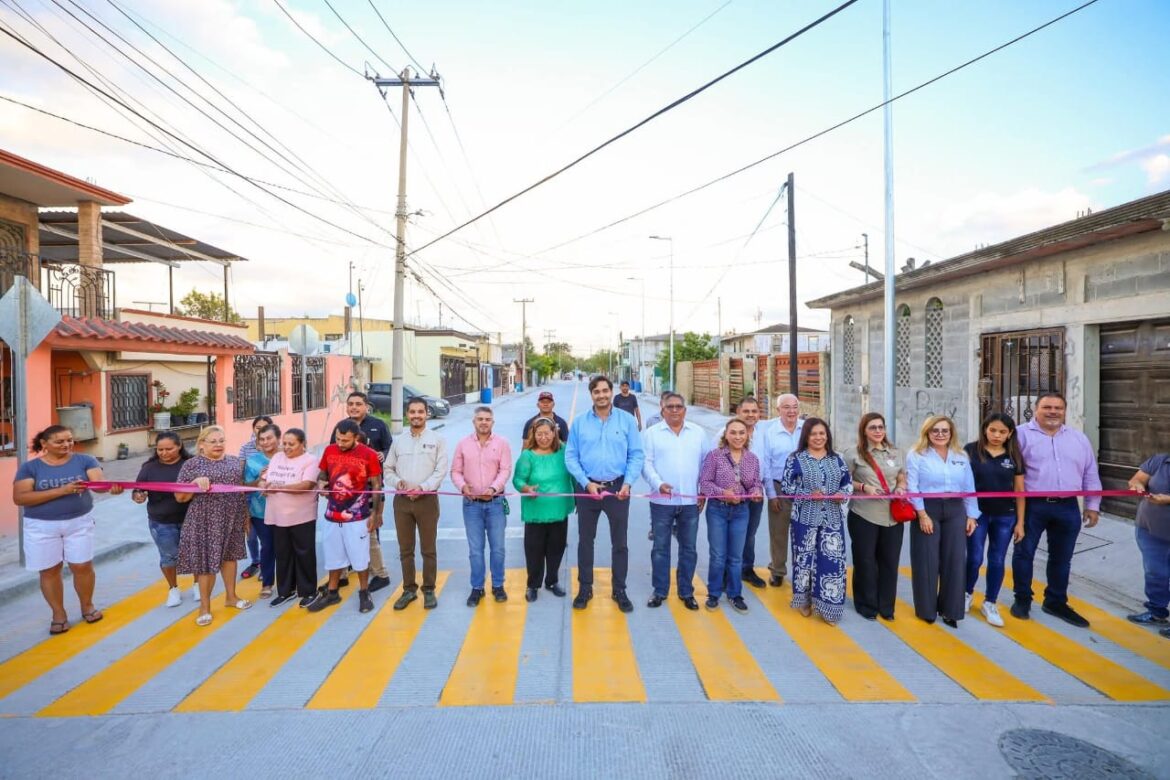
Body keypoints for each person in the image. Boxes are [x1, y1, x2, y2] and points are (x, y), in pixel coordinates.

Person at [13, 425, 122, 635]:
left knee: (82, 566)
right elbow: (20, 497)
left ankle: (87, 606)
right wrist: (62, 491)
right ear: (44, 444)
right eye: (59, 441)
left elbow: (99, 484)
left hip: (79, 522)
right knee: (49, 570)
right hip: (41, 526)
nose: (66, 445)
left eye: (69, 440)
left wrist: (111, 488)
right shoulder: (30, 468)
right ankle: (58, 614)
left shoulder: (85, 460)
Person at [1011, 392, 1102, 628]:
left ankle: (1055, 601)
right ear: (1036, 409)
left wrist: (1092, 505)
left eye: (1058, 408)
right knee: (1024, 553)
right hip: (1032, 506)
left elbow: (1090, 472)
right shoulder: (1020, 435)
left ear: (1064, 411)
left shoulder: (1078, 438)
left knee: (1062, 558)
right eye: (1047, 407)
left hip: (1068, 506)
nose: (1053, 412)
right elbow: (1010, 472)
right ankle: (1022, 599)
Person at [565, 375, 645, 613]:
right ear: (591, 394)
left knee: (620, 543)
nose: (601, 395)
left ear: (612, 392)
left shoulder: (627, 420)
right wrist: (586, 483)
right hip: (587, 489)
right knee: (585, 541)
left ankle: (619, 589)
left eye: (605, 391)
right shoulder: (580, 422)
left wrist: (628, 483)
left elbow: (636, 454)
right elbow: (571, 456)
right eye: (596, 391)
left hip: (618, 488)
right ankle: (585, 588)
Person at [906, 415, 979, 628]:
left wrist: (971, 516)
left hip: (956, 509)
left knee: (954, 560)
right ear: (927, 432)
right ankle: (926, 610)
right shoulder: (917, 454)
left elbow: (969, 487)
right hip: (927, 508)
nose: (940, 434)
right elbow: (912, 486)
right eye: (935, 430)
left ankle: (951, 611)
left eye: (944, 430)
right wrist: (922, 515)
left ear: (951, 433)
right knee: (926, 560)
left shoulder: (960, 455)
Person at [175, 426, 252, 627]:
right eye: (213, 441)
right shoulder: (192, 465)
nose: (218, 445)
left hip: (232, 517)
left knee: (230, 557)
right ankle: (205, 607)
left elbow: (240, 490)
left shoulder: (234, 462)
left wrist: (245, 517)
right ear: (201, 445)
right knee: (206, 563)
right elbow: (180, 497)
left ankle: (231, 597)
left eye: (221, 440)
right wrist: (194, 484)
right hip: (205, 521)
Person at [642, 392, 711, 610]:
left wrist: (703, 491)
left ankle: (686, 591)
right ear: (662, 410)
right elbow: (646, 464)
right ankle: (660, 591)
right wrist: (658, 484)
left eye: (678, 407)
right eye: (669, 407)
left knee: (688, 548)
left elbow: (707, 464)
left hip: (690, 502)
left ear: (685, 410)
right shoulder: (651, 434)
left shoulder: (698, 433)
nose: (674, 410)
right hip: (661, 502)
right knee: (660, 548)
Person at [780, 417, 852, 624]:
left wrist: (841, 494)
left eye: (822, 433)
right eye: (813, 434)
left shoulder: (837, 459)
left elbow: (848, 484)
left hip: (832, 519)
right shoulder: (796, 459)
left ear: (827, 435)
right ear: (806, 436)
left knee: (832, 562)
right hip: (804, 519)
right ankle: (804, 601)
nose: (818, 437)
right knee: (804, 561)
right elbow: (786, 487)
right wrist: (807, 493)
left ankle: (829, 608)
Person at [310, 419, 383, 614]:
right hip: (332, 515)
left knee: (360, 557)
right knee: (333, 556)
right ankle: (332, 592)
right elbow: (322, 475)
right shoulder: (329, 450)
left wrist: (375, 513)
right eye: (338, 439)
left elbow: (376, 485)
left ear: (356, 437)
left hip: (358, 517)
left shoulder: (368, 454)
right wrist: (321, 484)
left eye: (345, 440)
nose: (340, 443)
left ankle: (364, 592)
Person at [385, 397, 449, 611]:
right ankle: (409, 590)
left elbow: (440, 471)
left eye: (420, 412)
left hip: (427, 500)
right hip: (402, 501)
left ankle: (429, 589)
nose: (416, 416)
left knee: (428, 549)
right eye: (412, 412)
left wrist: (422, 488)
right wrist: (399, 483)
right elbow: (388, 469)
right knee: (405, 549)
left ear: (426, 414)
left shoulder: (438, 440)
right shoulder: (398, 441)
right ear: (407, 414)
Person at [843, 413, 908, 622]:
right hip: (864, 514)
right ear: (864, 430)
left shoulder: (896, 452)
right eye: (873, 427)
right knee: (865, 561)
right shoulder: (853, 454)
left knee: (890, 562)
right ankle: (866, 605)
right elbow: (844, 481)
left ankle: (886, 607)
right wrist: (863, 487)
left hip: (892, 517)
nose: (878, 431)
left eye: (881, 427)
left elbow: (901, 475)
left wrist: (900, 487)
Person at [963, 414, 1025, 628]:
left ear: (1010, 434)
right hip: (977, 515)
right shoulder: (971, 451)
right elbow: (963, 483)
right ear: (985, 429)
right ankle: (966, 593)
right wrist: (967, 514)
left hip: (1005, 516)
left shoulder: (1014, 456)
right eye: (993, 430)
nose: (997, 435)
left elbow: (1020, 491)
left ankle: (990, 602)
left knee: (997, 559)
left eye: (1002, 432)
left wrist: (1020, 522)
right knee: (974, 557)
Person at [331, 391, 392, 593]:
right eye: (351, 404)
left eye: (358, 404)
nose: (354, 407)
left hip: (370, 489)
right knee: (343, 534)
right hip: (345, 493)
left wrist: (382, 455)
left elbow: (390, 449)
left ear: (366, 406)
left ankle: (376, 572)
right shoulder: (341, 427)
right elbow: (332, 453)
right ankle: (346, 570)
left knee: (370, 532)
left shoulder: (378, 425)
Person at [699, 419, 763, 613]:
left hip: (741, 512)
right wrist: (723, 493)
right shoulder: (714, 456)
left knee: (736, 557)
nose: (737, 437)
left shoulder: (752, 459)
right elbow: (705, 483)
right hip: (717, 510)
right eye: (733, 432)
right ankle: (714, 593)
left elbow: (755, 483)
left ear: (747, 435)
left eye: (741, 433)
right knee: (718, 555)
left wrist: (756, 492)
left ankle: (735, 594)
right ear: (725, 435)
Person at [451, 406, 513, 606]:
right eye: (480, 419)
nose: (484, 422)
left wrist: (494, 488)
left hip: (496, 504)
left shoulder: (502, 443)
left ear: (492, 422)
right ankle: (477, 587)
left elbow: (505, 470)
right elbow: (455, 471)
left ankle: (498, 585)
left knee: (498, 548)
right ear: (474, 422)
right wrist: (463, 486)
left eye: (487, 419)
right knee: (475, 550)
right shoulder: (463, 444)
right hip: (472, 505)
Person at [513, 418, 575, 602]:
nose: (543, 437)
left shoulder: (564, 451)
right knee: (534, 551)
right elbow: (518, 480)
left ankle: (552, 581)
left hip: (559, 510)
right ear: (534, 435)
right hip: (536, 512)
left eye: (547, 433)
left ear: (554, 433)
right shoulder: (527, 456)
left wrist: (580, 498)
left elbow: (574, 474)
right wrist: (526, 488)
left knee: (557, 548)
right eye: (539, 434)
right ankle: (533, 585)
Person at [131, 432, 196, 607]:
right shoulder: (149, 468)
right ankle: (173, 588)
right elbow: (137, 489)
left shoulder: (191, 464)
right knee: (168, 557)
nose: (164, 453)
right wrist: (138, 496)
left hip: (191, 518)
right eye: (160, 450)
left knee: (196, 553)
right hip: (161, 522)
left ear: (179, 446)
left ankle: (198, 584)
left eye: (169, 449)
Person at [259, 428, 320, 607]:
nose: (286, 447)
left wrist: (279, 487)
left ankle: (309, 591)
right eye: (284, 443)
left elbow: (307, 485)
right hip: (277, 515)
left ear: (303, 444)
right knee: (283, 554)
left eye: (291, 444)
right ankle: (286, 591)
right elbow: (265, 478)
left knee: (304, 553)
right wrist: (263, 485)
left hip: (301, 516)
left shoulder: (311, 460)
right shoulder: (277, 458)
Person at [761, 393, 804, 586]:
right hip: (779, 486)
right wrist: (771, 495)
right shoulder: (770, 433)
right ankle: (777, 570)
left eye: (794, 407)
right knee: (778, 532)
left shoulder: (807, 429)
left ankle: (803, 571)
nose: (791, 411)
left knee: (804, 532)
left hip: (805, 488)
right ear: (778, 410)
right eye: (786, 407)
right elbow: (766, 466)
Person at [1127, 454, 1170, 639]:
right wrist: (1137, 485)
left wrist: (1168, 499)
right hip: (1150, 530)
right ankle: (1156, 612)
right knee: (1155, 573)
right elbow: (1136, 479)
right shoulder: (1160, 461)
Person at [243, 423, 280, 599]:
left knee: (285, 547)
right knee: (267, 546)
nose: (266, 442)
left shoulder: (286, 457)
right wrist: (258, 479)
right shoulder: (253, 461)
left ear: (278, 438)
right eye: (262, 439)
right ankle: (267, 583)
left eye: (269, 438)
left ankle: (288, 581)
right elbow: (245, 486)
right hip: (259, 512)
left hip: (285, 511)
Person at [737, 396, 769, 589]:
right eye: (746, 411)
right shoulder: (726, 433)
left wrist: (770, 493)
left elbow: (767, 466)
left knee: (750, 534)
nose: (750, 415)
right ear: (738, 412)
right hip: (732, 496)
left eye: (754, 411)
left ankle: (746, 569)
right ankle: (727, 572)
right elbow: (713, 462)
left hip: (756, 494)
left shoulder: (763, 435)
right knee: (733, 534)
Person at [238, 415, 273, 580]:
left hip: (271, 500)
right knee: (251, 535)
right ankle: (255, 562)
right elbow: (240, 475)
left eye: (265, 427)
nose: (261, 431)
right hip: (251, 498)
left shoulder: (277, 449)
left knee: (268, 537)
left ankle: (267, 565)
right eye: (258, 427)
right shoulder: (246, 448)